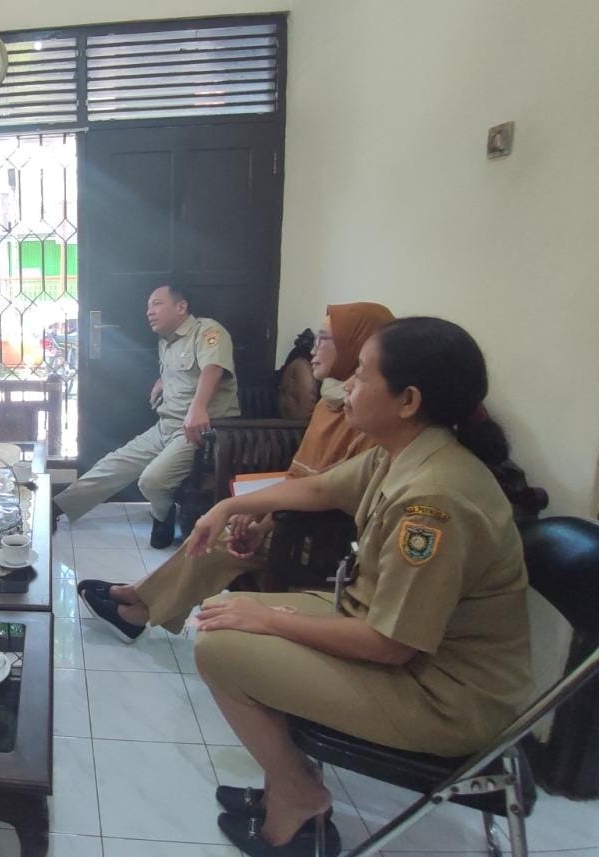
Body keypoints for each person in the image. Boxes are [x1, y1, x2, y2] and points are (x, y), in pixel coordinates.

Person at [186, 317, 530, 854]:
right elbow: (320, 488)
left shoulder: (433, 500)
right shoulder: (405, 451)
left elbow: (391, 645)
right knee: (225, 608)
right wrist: (229, 504)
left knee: (221, 646)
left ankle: (297, 795)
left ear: (408, 399)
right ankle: (284, 783)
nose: (347, 386)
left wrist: (270, 620)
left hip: (442, 695)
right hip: (385, 633)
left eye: (363, 376)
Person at [77, 302, 395, 642]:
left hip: (318, 536)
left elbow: (329, 491)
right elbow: (305, 479)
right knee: (217, 527)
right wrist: (255, 510)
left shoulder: (371, 418)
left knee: (219, 541)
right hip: (293, 512)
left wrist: (263, 517)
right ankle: (138, 597)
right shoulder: (330, 404)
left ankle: (137, 608)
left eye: (324, 340)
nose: (315, 351)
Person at [54, 285, 240, 548]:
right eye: (148, 306)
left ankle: (162, 516)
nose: (149, 312)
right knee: (114, 464)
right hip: (166, 426)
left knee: (152, 480)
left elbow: (213, 368)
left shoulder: (208, 331)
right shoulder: (167, 341)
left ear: (181, 307)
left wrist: (198, 408)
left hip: (201, 432)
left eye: (156, 304)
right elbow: (184, 373)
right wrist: (162, 381)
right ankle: (58, 507)